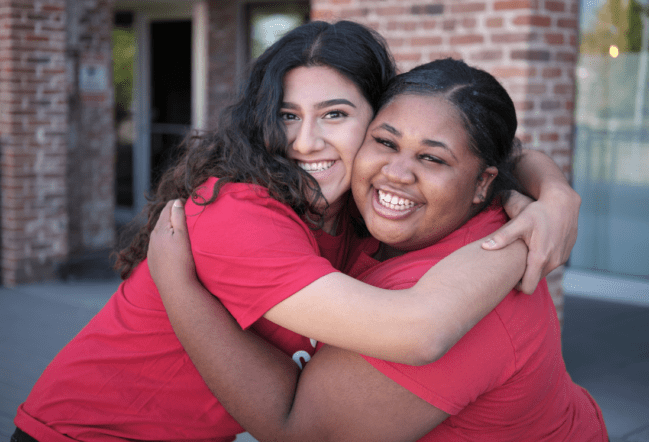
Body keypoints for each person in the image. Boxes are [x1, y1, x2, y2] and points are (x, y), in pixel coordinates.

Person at [13, 21, 578, 442]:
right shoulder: (236, 211)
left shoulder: (356, 212)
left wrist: (548, 196)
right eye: (287, 115)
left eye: (335, 115)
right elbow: (418, 330)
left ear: (376, 117)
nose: (304, 142)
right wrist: (528, 237)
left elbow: (482, 153)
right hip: (81, 431)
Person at [148, 59, 607, 441]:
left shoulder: (467, 294)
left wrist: (179, 288)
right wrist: (554, 191)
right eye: (385, 142)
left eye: (432, 158)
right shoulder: (389, 218)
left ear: (483, 182)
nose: (397, 173)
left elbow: (301, 431)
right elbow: (516, 157)